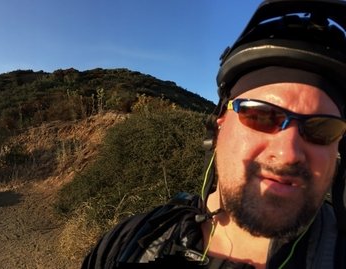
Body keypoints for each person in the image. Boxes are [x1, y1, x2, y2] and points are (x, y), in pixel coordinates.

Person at [81, 0, 346, 268]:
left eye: (322, 129)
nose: (289, 152)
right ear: (219, 127)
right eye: (261, 116)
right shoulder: (130, 243)